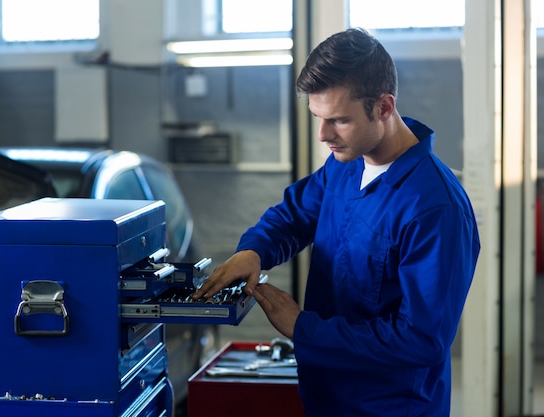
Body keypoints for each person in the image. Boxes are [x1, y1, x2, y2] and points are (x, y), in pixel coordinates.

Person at [192, 27, 480, 417]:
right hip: (326, 398)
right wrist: (254, 251)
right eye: (318, 117)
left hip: (390, 408)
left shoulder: (435, 208)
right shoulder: (345, 163)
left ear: (383, 107)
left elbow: (420, 339)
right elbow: (294, 216)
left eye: (339, 120)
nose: (323, 135)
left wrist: (302, 328)